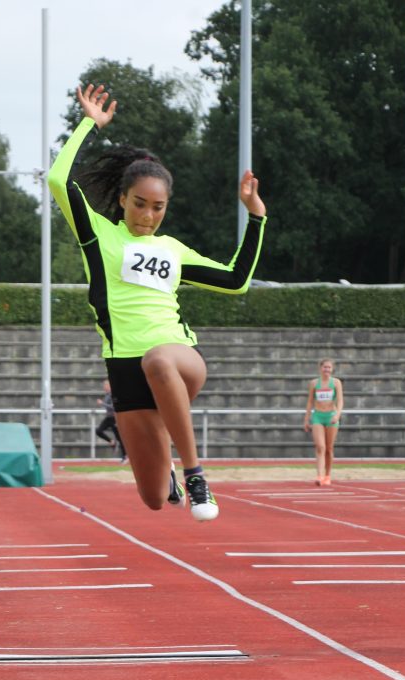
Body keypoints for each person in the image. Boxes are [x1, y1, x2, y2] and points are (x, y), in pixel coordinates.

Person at [48, 82, 267, 521]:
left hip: (178, 357)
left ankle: (195, 474)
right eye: (140, 204)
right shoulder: (98, 235)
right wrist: (89, 123)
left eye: (158, 207)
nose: (148, 216)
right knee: (152, 498)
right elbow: (58, 179)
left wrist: (256, 215)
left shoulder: (173, 250)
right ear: (123, 200)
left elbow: (236, 280)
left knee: (158, 360)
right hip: (124, 368)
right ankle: (167, 473)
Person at [303, 359, 344, 486]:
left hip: (331, 416)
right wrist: (306, 419)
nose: (327, 369)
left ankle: (327, 475)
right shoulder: (314, 383)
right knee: (320, 446)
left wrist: (337, 415)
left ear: (332, 369)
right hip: (318, 417)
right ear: (320, 368)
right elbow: (310, 401)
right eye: (325, 367)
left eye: (329, 367)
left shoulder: (336, 382)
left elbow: (340, 401)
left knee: (329, 448)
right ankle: (319, 476)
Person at [95, 379, 126, 460]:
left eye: (105, 385)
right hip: (109, 418)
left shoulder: (113, 395)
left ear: (109, 386)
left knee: (119, 437)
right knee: (98, 431)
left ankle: (125, 456)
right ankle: (111, 441)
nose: (104, 387)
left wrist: (102, 403)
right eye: (104, 385)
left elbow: (113, 407)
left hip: (114, 418)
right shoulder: (107, 395)